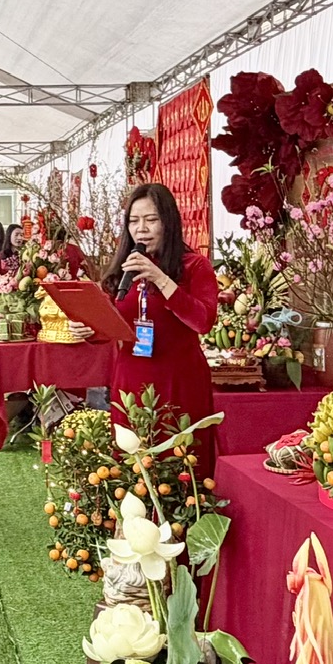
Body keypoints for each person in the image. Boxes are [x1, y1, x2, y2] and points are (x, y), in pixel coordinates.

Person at [104, 182, 219, 478]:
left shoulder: (195, 266)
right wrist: (87, 326)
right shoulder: (124, 270)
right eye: (133, 220)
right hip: (130, 380)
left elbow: (203, 321)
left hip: (178, 382)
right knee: (132, 472)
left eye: (151, 219)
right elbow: (113, 321)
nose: (141, 229)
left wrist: (162, 280)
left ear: (169, 222)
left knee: (181, 469)